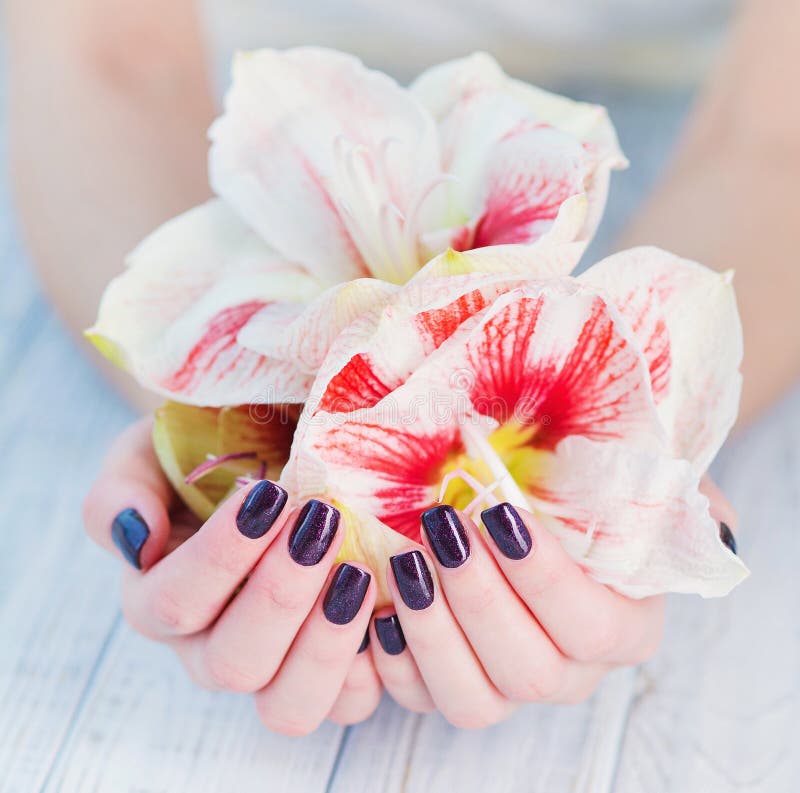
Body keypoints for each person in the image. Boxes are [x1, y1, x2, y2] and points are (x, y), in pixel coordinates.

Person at [7, 0, 799, 734]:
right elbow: (106, 51)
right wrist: (253, 425)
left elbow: (773, 133)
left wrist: (676, 401)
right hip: (266, 113)